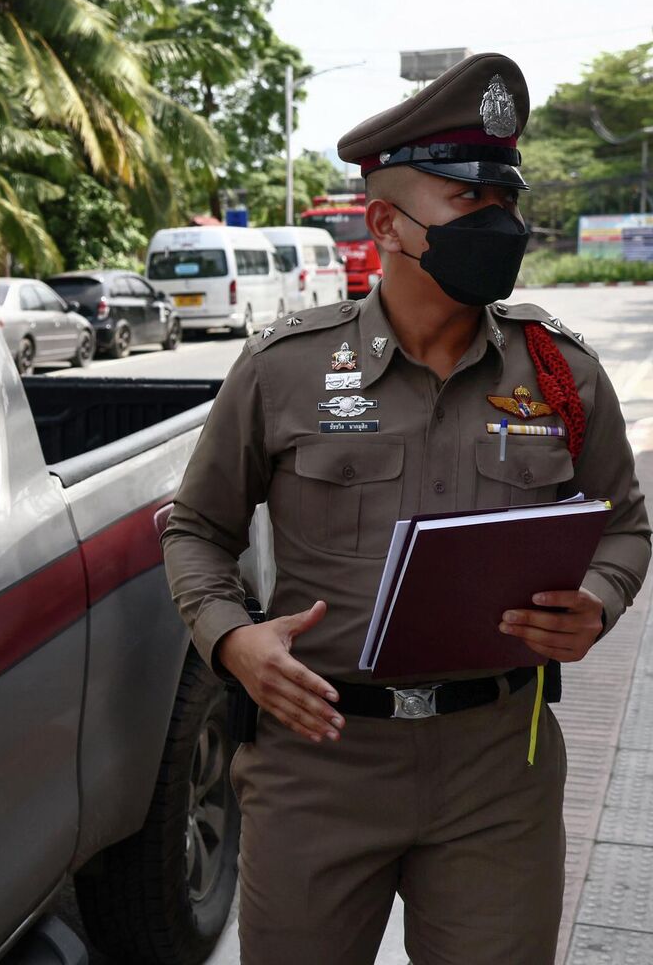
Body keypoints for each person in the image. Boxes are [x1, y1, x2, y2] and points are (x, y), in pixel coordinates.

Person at [162, 52, 652, 963]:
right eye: (470, 203)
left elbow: (624, 520)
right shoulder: (286, 369)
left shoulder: (560, 372)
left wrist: (601, 601)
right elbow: (196, 529)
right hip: (320, 757)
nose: (500, 224)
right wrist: (232, 639)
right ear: (386, 223)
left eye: (506, 201)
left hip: (499, 767)